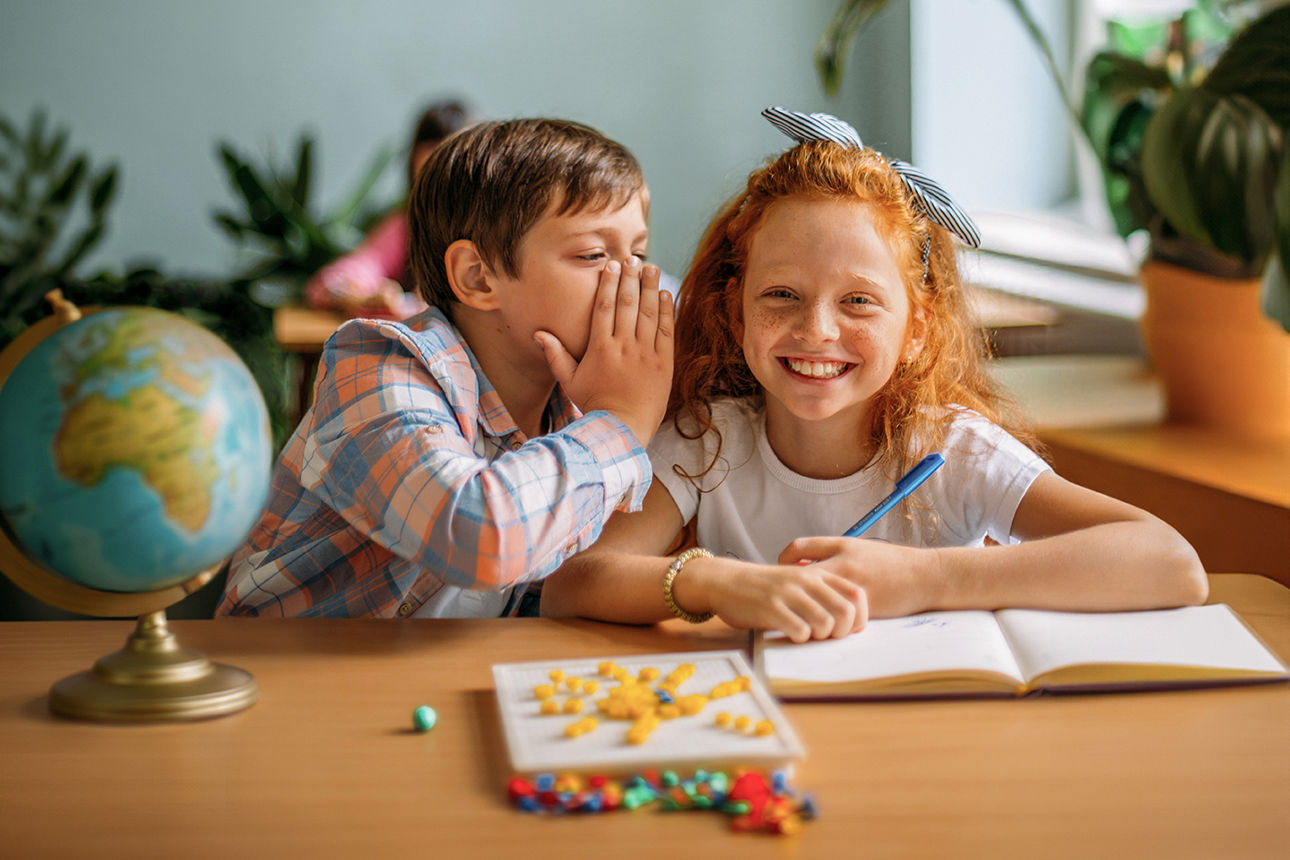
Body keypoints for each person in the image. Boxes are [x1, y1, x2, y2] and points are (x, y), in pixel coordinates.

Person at [540, 107, 1207, 643]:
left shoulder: (950, 450)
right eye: (781, 296)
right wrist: (712, 584)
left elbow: (1169, 562)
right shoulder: (708, 441)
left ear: (917, 329)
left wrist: (926, 578)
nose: (817, 331)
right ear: (734, 314)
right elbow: (574, 584)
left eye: (858, 301)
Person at [218, 118, 673, 618]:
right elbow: (479, 537)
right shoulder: (378, 368)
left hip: (438, 678)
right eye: (593, 254)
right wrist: (620, 422)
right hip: (288, 679)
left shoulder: (573, 401)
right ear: (478, 277)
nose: (633, 279)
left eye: (638, 253)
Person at [303, 99, 475, 319]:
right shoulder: (405, 228)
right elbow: (335, 280)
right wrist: (362, 296)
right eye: (426, 181)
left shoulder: (493, 232)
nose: (438, 195)